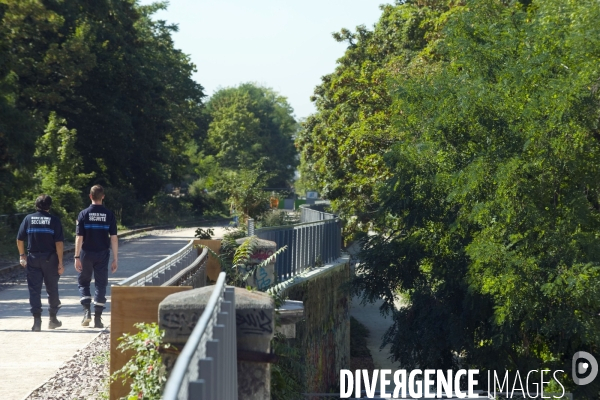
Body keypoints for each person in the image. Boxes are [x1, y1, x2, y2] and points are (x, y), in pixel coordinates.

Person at [16, 194, 64, 331]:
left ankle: (37, 322)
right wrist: (60, 263)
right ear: (49, 206)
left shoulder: (28, 219)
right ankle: (53, 319)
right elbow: (59, 243)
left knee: (34, 290)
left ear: (36, 205)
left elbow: (20, 239)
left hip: (33, 259)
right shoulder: (54, 220)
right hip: (50, 259)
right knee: (52, 289)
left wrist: (22, 255)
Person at [74, 184, 118, 328]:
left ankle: (87, 312)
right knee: (100, 284)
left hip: (86, 253)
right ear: (103, 196)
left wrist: (76, 257)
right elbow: (114, 238)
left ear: (90, 196)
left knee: (84, 282)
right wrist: (115, 258)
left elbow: (79, 237)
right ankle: (98, 319)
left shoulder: (83, 214)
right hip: (102, 253)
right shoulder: (109, 214)